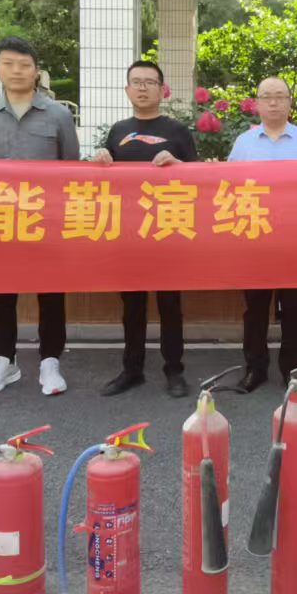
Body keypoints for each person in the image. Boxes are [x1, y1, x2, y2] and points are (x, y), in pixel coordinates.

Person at [0, 37, 80, 397]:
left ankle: (50, 361)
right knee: (1, 295)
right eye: (8, 64)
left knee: (51, 294)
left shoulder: (59, 115)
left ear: (36, 71)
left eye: (24, 65)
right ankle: (5, 361)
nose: (16, 71)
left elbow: (72, 170)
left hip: (48, 222)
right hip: (2, 221)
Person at [92, 60, 198, 399]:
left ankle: (174, 370)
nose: (142, 87)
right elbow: (103, 181)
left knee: (170, 306)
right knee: (132, 306)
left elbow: (199, 180)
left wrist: (178, 165)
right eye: (136, 81)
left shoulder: (178, 131)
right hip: (129, 233)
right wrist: (101, 160)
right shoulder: (118, 131)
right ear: (127, 89)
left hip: (167, 230)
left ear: (161, 90)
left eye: (149, 82)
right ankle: (132, 370)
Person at [227, 76, 297, 393]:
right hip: (255, 238)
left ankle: (293, 371)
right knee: (255, 309)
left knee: (293, 308)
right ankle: (255, 368)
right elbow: (227, 186)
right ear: (256, 103)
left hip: (295, 239)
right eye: (266, 96)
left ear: (289, 102)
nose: (273, 102)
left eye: (280, 96)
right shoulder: (244, 143)